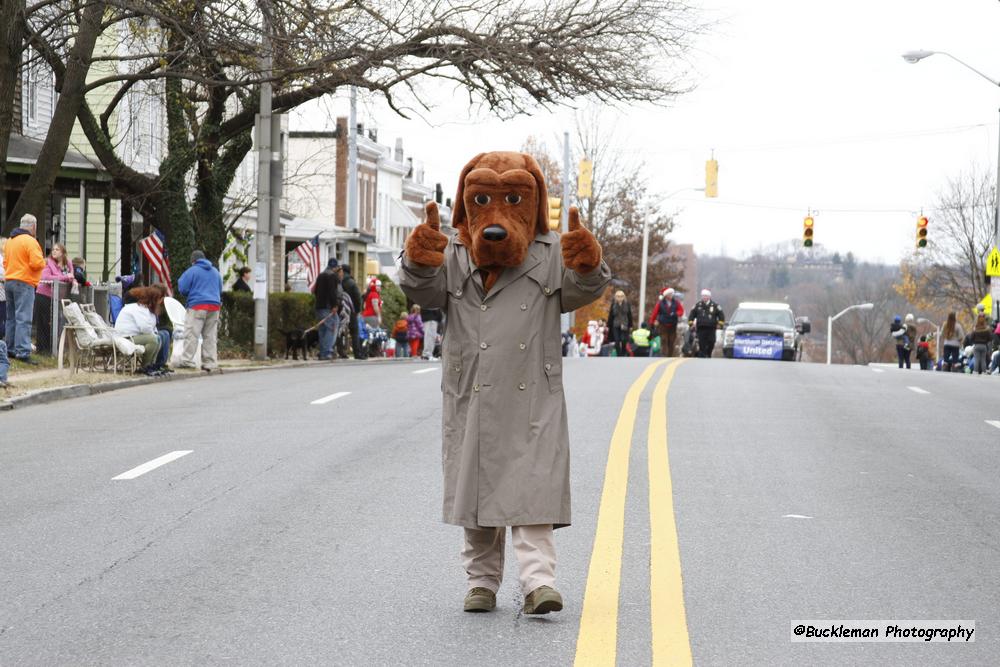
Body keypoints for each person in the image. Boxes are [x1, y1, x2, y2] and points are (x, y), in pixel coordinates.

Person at [3, 214, 46, 363]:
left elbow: (5, 262)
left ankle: (10, 349)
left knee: (11, 318)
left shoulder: (10, 241)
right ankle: (23, 352)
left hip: (9, 281)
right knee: (24, 318)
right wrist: (43, 262)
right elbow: (36, 263)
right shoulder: (30, 241)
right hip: (25, 282)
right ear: (33, 226)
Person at [177, 250, 223, 372]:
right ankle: (210, 362)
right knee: (210, 335)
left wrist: (189, 294)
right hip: (214, 306)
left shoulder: (192, 271)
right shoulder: (215, 271)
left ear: (193, 261)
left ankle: (187, 360)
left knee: (192, 333)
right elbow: (220, 289)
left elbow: (182, 287)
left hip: (197, 305)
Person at [114, 287, 168, 376]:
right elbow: (145, 328)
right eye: (158, 299)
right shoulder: (138, 308)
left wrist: (154, 332)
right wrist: (154, 334)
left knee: (158, 336)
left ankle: (153, 365)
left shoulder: (143, 308)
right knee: (153, 339)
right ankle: (146, 366)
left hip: (132, 336)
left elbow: (150, 326)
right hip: (125, 338)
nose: (160, 302)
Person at [36, 243, 77, 355]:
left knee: (53, 323)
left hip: (57, 297)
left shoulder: (67, 264)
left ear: (63, 253)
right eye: (53, 249)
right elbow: (46, 277)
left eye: (57, 249)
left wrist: (73, 280)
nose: (54, 251)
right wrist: (65, 277)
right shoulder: (48, 263)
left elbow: (71, 275)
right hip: (44, 295)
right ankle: (43, 350)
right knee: (44, 323)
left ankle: (52, 349)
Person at [312, 258, 342, 360]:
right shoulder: (333, 276)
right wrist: (335, 305)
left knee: (323, 329)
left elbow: (315, 291)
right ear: (336, 267)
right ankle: (327, 352)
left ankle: (322, 351)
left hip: (319, 306)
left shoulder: (320, 275)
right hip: (328, 306)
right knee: (333, 326)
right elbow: (332, 292)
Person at [687, 289, 725, 358]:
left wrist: (720, 324)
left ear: (709, 297)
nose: (704, 297)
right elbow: (691, 315)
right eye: (703, 296)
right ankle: (703, 355)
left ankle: (708, 353)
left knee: (712, 342)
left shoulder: (715, 306)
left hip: (711, 328)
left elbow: (721, 316)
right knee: (702, 343)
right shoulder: (698, 305)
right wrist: (691, 324)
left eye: (706, 296)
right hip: (701, 328)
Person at [648, 287, 684, 357]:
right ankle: (664, 355)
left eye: (672, 294)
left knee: (671, 341)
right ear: (666, 295)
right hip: (663, 324)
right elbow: (655, 313)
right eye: (670, 294)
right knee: (664, 340)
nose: (671, 295)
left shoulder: (676, 303)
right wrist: (652, 322)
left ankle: (669, 356)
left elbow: (681, 311)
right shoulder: (660, 303)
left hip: (673, 324)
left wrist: (676, 313)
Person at [338, 265, 364, 359]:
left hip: (340, 310)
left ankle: (341, 352)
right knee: (354, 332)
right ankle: (357, 353)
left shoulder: (338, 282)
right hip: (351, 310)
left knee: (339, 331)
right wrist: (357, 310)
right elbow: (358, 297)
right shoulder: (352, 282)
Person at [606, 290, 633, 357]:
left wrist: (631, 325)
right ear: (616, 297)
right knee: (617, 340)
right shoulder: (613, 304)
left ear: (624, 297)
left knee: (624, 340)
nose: (620, 298)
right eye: (618, 296)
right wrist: (608, 325)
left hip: (624, 324)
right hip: (615, 324)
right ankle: (619, 354)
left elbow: (629, 315)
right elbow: (611, 315)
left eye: (621, 296)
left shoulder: (627, 304)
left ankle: (623, 353)